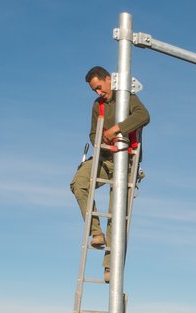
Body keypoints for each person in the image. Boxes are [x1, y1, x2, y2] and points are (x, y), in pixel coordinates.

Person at [70, 66, 150, 281]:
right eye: (94, 90)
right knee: (79, 183)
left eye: (99, 87)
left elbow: (143, 115)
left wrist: (116, 130)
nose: (98, 92)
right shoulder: (98, 106)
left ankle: (109, 266)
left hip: (127, 160)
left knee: (116, 213)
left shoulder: (127, 97)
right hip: (105, 157)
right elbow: (93, 133)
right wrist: (102, 138)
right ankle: (96, 232)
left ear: (108, 79)